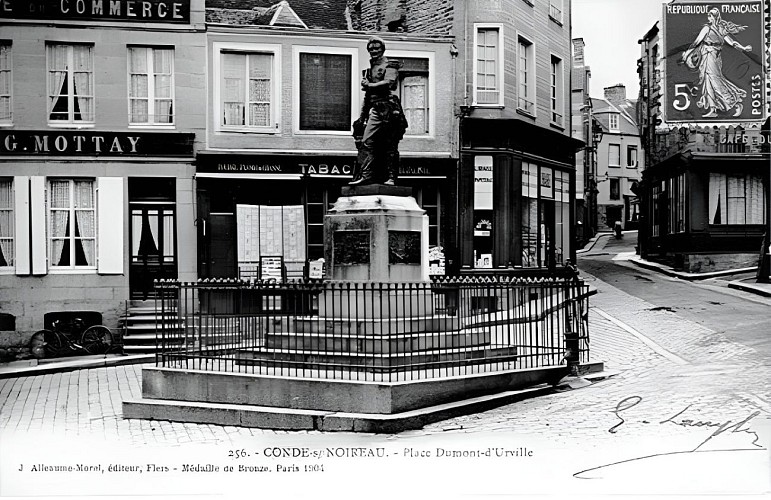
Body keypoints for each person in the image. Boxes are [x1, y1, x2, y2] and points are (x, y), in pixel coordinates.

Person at [349, 37, 408, 186]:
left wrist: (369, 85)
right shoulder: (369, 70)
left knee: (390, 145)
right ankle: (367, 175)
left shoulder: (390, 64)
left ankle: (391, 177)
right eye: (371, 49)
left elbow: (390, 83)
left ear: (383, 49)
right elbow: (368, 96)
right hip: (376, 109)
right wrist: (362, 116)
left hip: (389, 108)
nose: (374, 51)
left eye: (377, 48)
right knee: (367, 141)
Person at [681, 8, 752, 118]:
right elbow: (697, 42)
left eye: (710, 16)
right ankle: (713, 109)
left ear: (715, 17)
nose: (709, 18)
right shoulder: (708, 28)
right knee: (708, 81)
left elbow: (731, 42)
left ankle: (734, 103)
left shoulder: (719, 29)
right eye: (708, 16)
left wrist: (743, 48)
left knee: (715, 80)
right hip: (706, 55)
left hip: (713, 56)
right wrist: (688, 53)